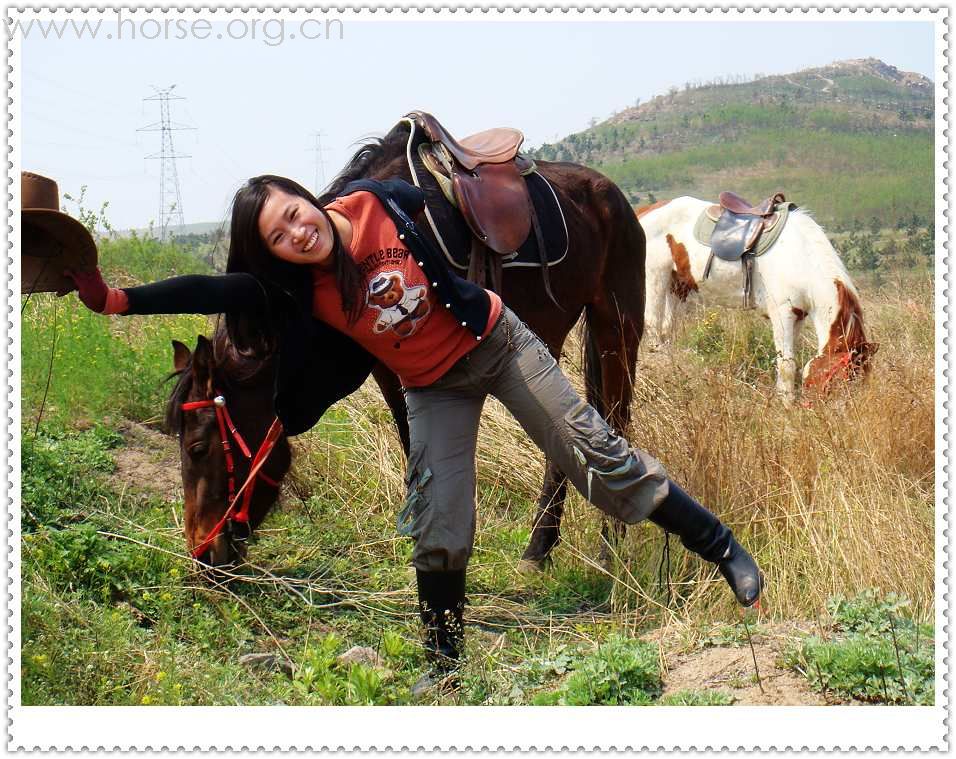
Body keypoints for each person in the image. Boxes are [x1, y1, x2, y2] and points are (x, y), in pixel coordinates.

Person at [62, 174, 763, 694]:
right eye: (278, 236)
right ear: (270, 252)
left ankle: (721, 546)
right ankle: (444, 664)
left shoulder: (376, 201)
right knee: (438, 519)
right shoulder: (292, 291)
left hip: (496, 342)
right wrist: (113, 297)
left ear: (307, 200)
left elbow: (443, 198)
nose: (296, 233)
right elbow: (202, 290)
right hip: (433, 387)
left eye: (293, 215)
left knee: (596, 457)